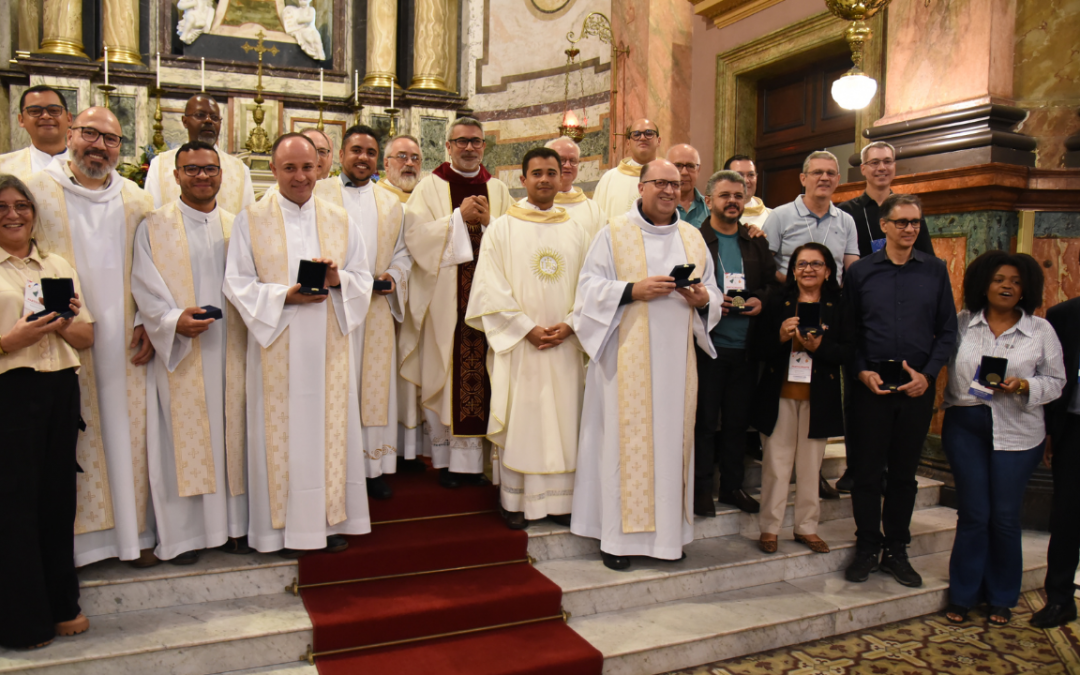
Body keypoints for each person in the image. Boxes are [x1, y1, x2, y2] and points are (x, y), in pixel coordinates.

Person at [224, 133, 374, 557]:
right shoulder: (250, 219)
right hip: (277, 348)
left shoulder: (340, 219)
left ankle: (328, 522)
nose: (300, 176)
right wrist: (283, 297)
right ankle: (277, 530)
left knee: (329, 432)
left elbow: (362, 278)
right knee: (281, 436)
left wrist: (336, 279)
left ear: (321, 168)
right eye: (289, 167)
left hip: (327, 351)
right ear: (272, 170)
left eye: (308, 167)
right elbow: (236, 284)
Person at [571, 159, 721, 570]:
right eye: (660, 183)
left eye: (676, 184)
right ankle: (616, 542)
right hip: (625, 364)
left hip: (676, 368)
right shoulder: (614, 234)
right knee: (624, 447)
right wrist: (631, 290)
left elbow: (714, 293)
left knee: (671, 446)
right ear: (641, 187)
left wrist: (704, 300)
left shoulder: (692, 237)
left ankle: (667, 540)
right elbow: (586, 292)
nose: (670, 191)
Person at [25, 107, 159, 568]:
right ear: (70, 134)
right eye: (89, 134)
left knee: (130, 433)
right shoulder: (37, 194)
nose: (98, 146)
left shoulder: (139, 201)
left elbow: (156, 271)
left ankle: (133, 535)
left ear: (120, 148)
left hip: (125, 340)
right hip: (58, 336)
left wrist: (147, 319)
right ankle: (77, 546)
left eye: (109, 139)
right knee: (71, 435)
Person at [131, 141, 252, 565]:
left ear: (222, 174)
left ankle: (236, 528)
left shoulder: (240, 225)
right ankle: (185, 537)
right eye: (192, 169)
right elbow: (144, 287)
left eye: (210, 169)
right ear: (176, 175)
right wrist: (169, 322)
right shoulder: (153, 226)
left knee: (233, 434)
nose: (202, 177)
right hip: (183, 352)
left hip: (234, 350)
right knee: (183, 441)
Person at [465, 147, 591, 530]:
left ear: (563, 177)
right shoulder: (503, 227)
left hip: (565, 345)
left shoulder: (578, 229)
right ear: (522, 180)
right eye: (536, 173)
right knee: (524, 420)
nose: (545, 180)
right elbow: (489, 286)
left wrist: (571, 324)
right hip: (521, 345)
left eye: (551, 173)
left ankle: (563, 502)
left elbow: (592, 287)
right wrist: (525, 328)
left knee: (566, 421)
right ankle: (516, 501)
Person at [939, 251, 1064, 626]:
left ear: (1026, 288)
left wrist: (1025, 385)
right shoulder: (962, 324)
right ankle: (963, 595)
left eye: (1015, 281)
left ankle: (1002, 597)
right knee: (974, 513)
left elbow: (1057, 381)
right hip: (966, 426)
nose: (1007, 286)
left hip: (1019, 432)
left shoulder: (1040, 330)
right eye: (998, 279)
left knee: (1006, 517)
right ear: (983, 284)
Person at [843, 193, 957, 587]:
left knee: (905, 475)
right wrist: (860, 372)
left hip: (916, 388)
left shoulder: (935, 270)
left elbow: (947, 331)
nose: (910, 229)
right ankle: (866, 547)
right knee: (867, 472)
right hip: (870, 387)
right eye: (902, 222)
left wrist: (928, 375)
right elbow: (849, 332)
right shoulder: (860, 273)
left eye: (915, 223)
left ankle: (896, 549)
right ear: (885, 226)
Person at [0, 174, 93, 649]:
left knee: (57, 500)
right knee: (13, 506)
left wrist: (65, 322)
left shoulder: (56, 264)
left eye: (21, 205)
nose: (13, 214)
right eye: (1, 206)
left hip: (60, 389)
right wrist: (8, 342)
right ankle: (22, 619)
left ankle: (62, 603)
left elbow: (86, 337)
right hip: (10, 392)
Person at [402, 117, 511, 489]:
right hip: (447, 303)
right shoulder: (429, 187)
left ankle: (477, 464)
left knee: (488, 376)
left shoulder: (498, 189)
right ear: (447, 146)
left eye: (476, 142)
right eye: (461, 141)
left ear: (484, 146)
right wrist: (457, 220)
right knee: (447, 374)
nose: (469, 148)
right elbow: (415, 239)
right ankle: (448, 462)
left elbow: (515, 237)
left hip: (489, 302)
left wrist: (491, 221)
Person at [313, 125, 412, 499]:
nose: (363, 158)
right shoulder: (318, 192)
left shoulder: (391, 202)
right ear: (340, 155)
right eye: (356, 150)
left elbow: (404, 252)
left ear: (377, 160)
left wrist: (394, 275)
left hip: (374, 309)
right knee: (335, 385)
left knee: (371, 386)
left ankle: (372, 469)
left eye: (370, 152)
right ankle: (333, 465)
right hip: (329, 307)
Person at [750, 243, 845, 555]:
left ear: (828, 270)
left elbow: (849, 350)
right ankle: (770, 528)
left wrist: (821, 347)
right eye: (802, 264)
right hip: (779, 394)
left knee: (809, 466)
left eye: (816, 264)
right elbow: (757, 347)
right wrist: (779, 335)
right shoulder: (778, 300)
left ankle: (806, 527)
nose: (808, 269)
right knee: (776, 465)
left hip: (818, 397)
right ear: (792, 270)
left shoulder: (839, 303)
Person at [693, 170, 776, 517]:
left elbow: (773, 284)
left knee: (738, 423)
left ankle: (731, 487)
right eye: (725, 195)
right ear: (709, 200)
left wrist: (761, 300)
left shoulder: (755, 240)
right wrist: (711, 301)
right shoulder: (695, 239)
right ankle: (699, 490)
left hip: (747, 347)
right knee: (705, 422)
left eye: (738, 196)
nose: (732, 202)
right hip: (709, 346)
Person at [376, 134, 428, 473]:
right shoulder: (376, 199)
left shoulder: (428, 199)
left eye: (415, 158)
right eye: (400, 157)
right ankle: (382, 448)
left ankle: (412, 447)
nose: (408, 164)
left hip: (422, 300)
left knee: (414, 375)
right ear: (386, 163)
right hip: (381, 303)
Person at [1034, 271, 1080, 629]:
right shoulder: (1064, 315)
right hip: (1074, 430)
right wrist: (1051, 432)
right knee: (1066, 517)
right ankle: (1060, 599)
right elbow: (1055, 381)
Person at [144, 94, 255, 214]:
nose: (208, 120)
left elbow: (247, 220)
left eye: (214, 117)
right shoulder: (161, 165)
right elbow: (152, 215)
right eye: (200, 115)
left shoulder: (239, 169)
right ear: (185, 121)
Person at [762, 151, 859, 284]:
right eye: (817, 172)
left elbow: (854, 270)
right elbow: (764, 264)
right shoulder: (779, 216)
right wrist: (792, 285)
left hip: (832, 301)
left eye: (830, 173)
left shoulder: (846, 220)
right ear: (803, 179)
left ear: (837, 180)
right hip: (789, 298)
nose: (824, 178)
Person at [836, 142, 933, 258]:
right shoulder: (845, 211)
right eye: (875, 163)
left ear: (894, 167)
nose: (882, 168)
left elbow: (926, 255)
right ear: (863, 169)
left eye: (887, 162)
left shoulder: (910, 209)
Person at [592, 118, 661, 221]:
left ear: (658, 141)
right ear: (628, 143)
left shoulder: (670, 177)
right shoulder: (609, 179)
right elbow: (596, 221)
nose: (642, 138)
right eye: (636, 134)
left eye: (649, 133)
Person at [0, 86, 71, 178]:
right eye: (35, 111)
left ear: (69, 118)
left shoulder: (87, 165)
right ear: (21, 120)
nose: (46, 116)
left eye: (54, 110)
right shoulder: (3, 168)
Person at [546, 136, 606, 240]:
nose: (568, 165)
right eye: (562, 160)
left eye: (573, 160)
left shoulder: (594, 210)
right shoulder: (533, 205)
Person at [723, 155, 771, 228]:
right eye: (739, 175)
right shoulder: (716, 214)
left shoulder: (771, 216)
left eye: (751, 175)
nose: (746, 180)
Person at [667, 144, 708, 228]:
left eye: (690, 166)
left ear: (698, 170)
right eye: (678, 165)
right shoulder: (658, 207)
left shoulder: (710, 208)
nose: (684, 172)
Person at [379, 134, 423, 200]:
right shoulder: (375, 198)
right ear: (387, 164)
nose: (410, 163)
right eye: (402, 156)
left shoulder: (429, 198)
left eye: (415, 158)